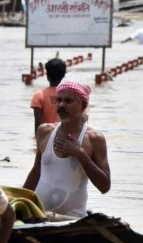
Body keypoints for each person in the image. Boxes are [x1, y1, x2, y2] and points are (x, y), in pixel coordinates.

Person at [23, 80, 111, 218]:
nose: (62, 105)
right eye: (59, 100)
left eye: (68, 101)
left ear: (82, 105)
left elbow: (105, 186)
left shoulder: (94, 139)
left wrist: (80, 154)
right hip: (40, 215)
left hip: (72, 220)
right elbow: (36, 172)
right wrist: (20, 201)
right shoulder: (44, 131)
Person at [31, 58, 67, 134]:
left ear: (47, 75)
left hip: (46, 137)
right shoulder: (69, 95)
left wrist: (38, 143)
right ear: (63, 75)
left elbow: (38, 124)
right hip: (65, 137)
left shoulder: (39, 95)